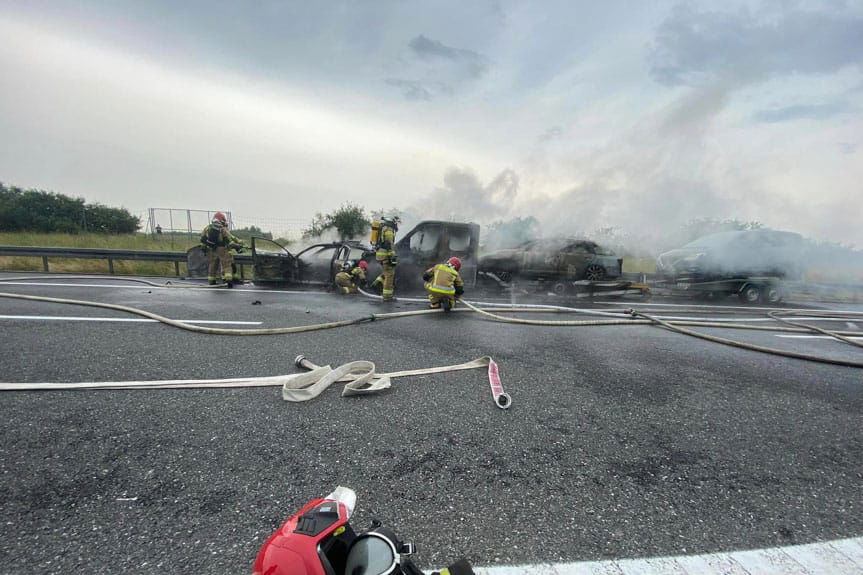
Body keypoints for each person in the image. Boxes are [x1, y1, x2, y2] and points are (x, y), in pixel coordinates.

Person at [200, 212, 244, 287]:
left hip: (211, 249)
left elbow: (203, 239)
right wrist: (238, 245)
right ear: (221, 220)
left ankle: (211, 281)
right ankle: (228, 280)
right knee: (227, 265)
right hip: (222, 249)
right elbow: (229, 239)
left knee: (212, 265)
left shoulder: (207, 228)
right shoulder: (222, 229)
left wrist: (204, 248)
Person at [372, 216, 400, 302]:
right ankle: (387, 297)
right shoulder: (389, 230)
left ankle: (376, 284)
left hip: (380, 255)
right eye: (395, 222)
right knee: (389, 275)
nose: (396, 224)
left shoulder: (382, 228)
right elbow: (389, 243)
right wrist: (392, 255)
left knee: (386, 272)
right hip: (385, 255)